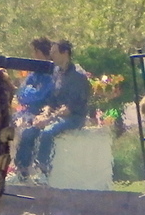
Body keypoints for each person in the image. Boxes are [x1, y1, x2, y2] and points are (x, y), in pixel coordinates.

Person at [11, 39, 92, 185]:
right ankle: (22, 171)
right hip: (57, 114)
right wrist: (44, 113)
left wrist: (49, 119)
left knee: (47, 131)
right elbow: (51, 100)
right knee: (29, 131)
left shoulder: (78, 76)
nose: (51, 56)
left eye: (54, 53)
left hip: (73, 116)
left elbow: (70, 107)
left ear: (65, 53)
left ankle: (43, 170)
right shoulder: (56, 72)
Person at [12, 36, 54, 127]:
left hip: (42, 114)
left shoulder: (52, 72)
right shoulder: (35, 72)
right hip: (27, 112)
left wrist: (28, 90)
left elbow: (39, 96)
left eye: (34, 51)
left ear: (38, 52)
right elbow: (20, 93)